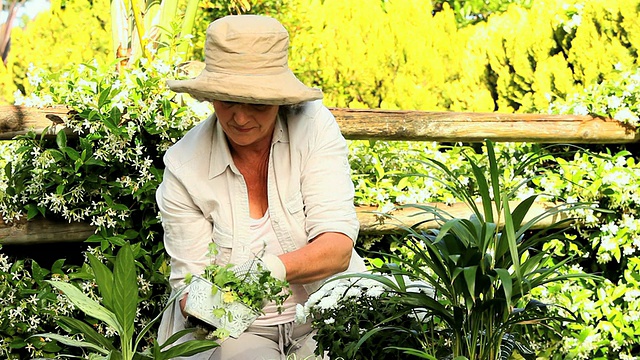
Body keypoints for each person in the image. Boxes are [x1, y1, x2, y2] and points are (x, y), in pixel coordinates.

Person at [155, 14, 367, 360]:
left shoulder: (313, 127)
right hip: (237, 329)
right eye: (226, 100)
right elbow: (189, 288)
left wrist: (268, 270)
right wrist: (216, 308)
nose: (240, 118)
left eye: (256, 102)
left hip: (327, 311)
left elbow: (338, 247)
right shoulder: (184, 166)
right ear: (210, 96)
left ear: (280, 99)